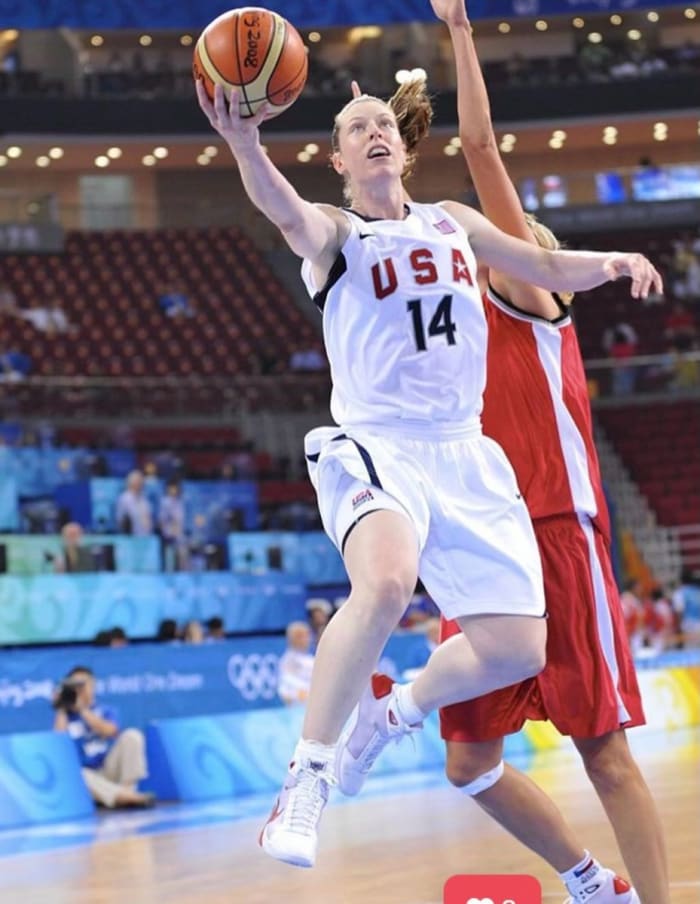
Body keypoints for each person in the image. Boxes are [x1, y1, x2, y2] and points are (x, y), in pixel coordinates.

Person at [195, 69, 660, 870]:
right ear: (338, 160)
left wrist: (613, 261)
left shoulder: (452, 223)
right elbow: (282, 208)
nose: (373, 130)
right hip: (378, 442)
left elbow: (542, 268)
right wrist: (244, 141)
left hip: (465, 453)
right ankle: (305, 779)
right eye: (354, 127)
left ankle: (392, 714)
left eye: (381, 121)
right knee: (384, 581)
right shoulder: (336, 235)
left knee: (518, 646)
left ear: (402, 151)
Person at [338, 4, 669, 903]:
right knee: (469, 762)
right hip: (480, 534)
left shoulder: (532, 296)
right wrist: (386, 131)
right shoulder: (456, 320)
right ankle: (594, 883)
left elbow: (482, 157)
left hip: (560, 532)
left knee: (605, 751)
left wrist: (460, 34)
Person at [52, 666, 154, 809]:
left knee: (132, 735)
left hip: (107, 768)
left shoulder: (105, 710)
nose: (79, 690)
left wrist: (82, 710)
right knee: (74, 772)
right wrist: (61, 708)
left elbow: (110, 731)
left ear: (92, 686)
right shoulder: (65, 717)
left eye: (82, 685)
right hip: (86, 776)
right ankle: (122, 797)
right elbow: (58, 742)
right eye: (74, 685)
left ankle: (128, 791)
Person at [278, 621, 315, 706]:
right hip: (300, 708)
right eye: (304, 636)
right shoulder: (289, 661)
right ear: (295, 639)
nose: (309, 639)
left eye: (308, 635)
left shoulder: (310, 659)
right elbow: (285, 690)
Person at [116, 469, 154, 536]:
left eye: (141, 481)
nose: (140, 483)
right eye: (137, 481)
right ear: (130, 483)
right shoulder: (124, 499)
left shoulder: (144, 498)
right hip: (130, 538)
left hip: (146, 537)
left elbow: (149, 517)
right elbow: (120, 520)